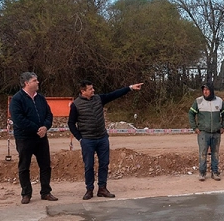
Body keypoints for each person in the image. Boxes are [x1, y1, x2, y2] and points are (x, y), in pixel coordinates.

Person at [68, 80, 144, 200]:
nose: (93, 90)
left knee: (104, 164)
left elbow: (114, 94)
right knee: (89, 165)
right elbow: (71, 123)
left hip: (102, 138)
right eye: (90, 89)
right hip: (87, 140)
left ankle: (102, 188)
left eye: (93, 88)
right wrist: (80, 138)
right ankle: (89, 189)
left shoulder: (98, 99)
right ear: (83, 91)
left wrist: (130, 88)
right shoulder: (76, 105)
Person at [9, 72, 57, 204]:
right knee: (24, 166)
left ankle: (46, 192)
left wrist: (45, 127)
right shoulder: (17, 99)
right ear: (26, 83)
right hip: (25, 138)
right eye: (35, 80)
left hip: (41, 137)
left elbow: (49, 114)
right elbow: (18, 119)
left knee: (45, 165)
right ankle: (26, 193)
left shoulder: (40, 98)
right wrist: (36, 129)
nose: (38, 82)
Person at [189, 82, 224, 181]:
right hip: (203, 133)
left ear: (211, 90)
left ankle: (215, 172)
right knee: (203, 153)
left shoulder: (219, 101)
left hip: (216, 133)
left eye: (207, 90)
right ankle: (202, 173)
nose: (205, 92)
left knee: (215, 153)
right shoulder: (198, 101)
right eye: (204, 90)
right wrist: (195, 128)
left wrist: (223, 126)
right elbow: (191, 114)